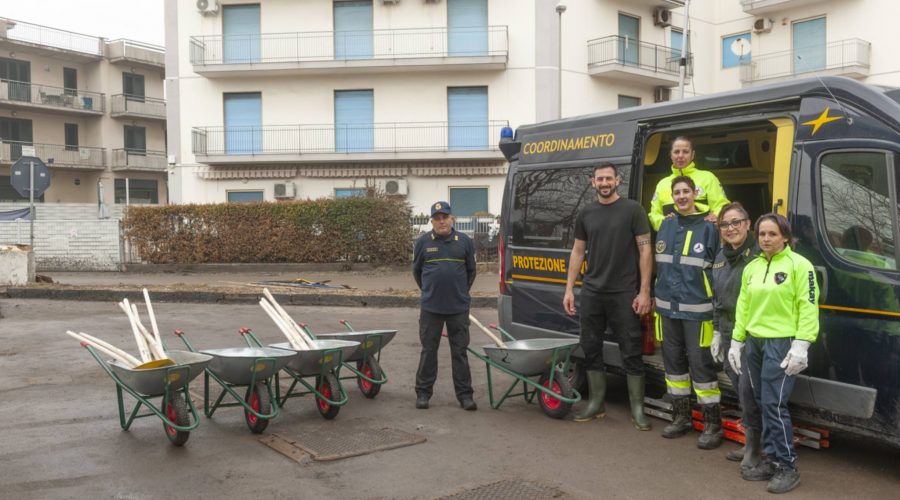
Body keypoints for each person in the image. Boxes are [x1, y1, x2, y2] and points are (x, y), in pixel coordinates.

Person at [728, 213, 819, 494]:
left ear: (786, 237)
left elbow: (808, 306)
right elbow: (743, 305)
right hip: (755, 342)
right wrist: (736, 340)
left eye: (773, 234)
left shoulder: (800, 266)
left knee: (774, 404)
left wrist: (802, 344)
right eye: (762, 234)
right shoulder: (752, 267)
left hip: (782, 343)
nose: (766, 239)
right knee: (759, 400)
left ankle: (787, 466)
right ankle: (771, 458)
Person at [562, 164, 653, 429]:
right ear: (593, 182)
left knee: (631, 350)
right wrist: (569, 289)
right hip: (592, 291)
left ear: (618, 180)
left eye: (608, 178)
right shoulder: (587, 213)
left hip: (624, 292)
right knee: (590, 348)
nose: (604, 182)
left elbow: (645, 251)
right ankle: (596, 403)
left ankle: (637, 409)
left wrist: (644, 291)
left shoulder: (633, 210)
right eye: (599, 179)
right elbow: (578, 252)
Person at [654, 176, 723, 448]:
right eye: (677, 192)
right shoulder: (667, 224)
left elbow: (718, 271)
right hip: (667, 309)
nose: (681, 196)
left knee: (701, 366)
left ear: (695, 193)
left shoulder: (710, 226)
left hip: (698, 311)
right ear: (672, 196)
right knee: (673, 367)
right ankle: (680, 417)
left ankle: (712, 424)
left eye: (686, 191)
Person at [709, 202, 763, 471]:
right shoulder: (720, 256)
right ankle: (750, 442)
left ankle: (755, 449)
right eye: (724, 224)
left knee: (749, 391)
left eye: (735, 222)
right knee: (740, 391)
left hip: (752, 335)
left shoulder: (759, 256)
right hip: (729, 333)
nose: (730, 229)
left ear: (748, 223)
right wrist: (718, 331)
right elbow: (718, 298)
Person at [412, 201, 477, 411]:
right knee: (428, 351)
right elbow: (417, 272)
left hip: (458, 308)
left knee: (460, 352)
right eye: (437, 218)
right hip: (431, 308)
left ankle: (465, 396)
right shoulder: (422, 242)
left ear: (452, 219)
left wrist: (460, 292)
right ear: (431, 221)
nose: (441, 221)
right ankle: (423, 393)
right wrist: (430, 291)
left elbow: (471, 271)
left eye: (445, 217)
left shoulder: (464, 241)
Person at [649, 137, 729, 231]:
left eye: (685, 152)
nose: (680, 155)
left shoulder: (708, 178)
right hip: (673, 238)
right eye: (676, 152)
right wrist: (666, 222)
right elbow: (654, 214)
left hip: (702, 237)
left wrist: (716, 217)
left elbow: (722, 206)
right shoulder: (662, 184)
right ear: (671, 155)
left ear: (692, 155)